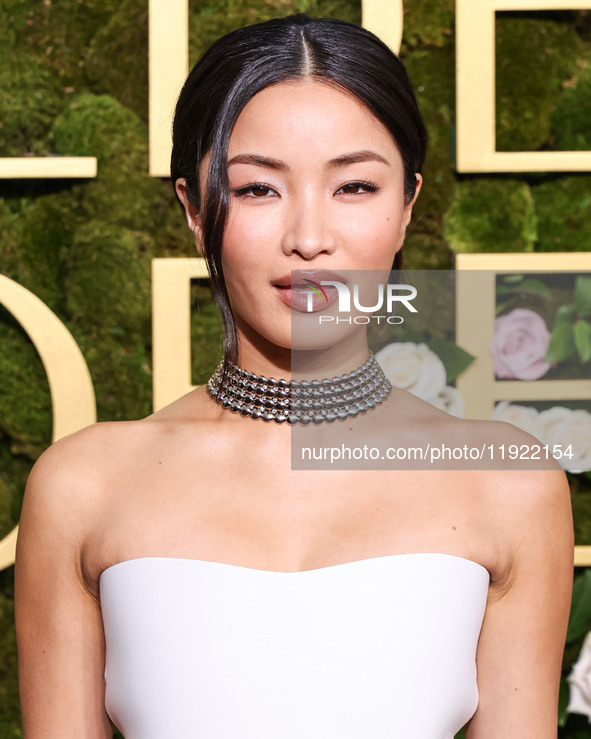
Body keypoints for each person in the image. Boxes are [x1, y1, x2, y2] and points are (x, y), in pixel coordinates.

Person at [15, 13, 573, 739]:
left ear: (406, 205)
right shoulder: (82, 486)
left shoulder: (510, 484)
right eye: (257, 190)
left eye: (353, 187)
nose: (309, 238)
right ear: (192, 207)